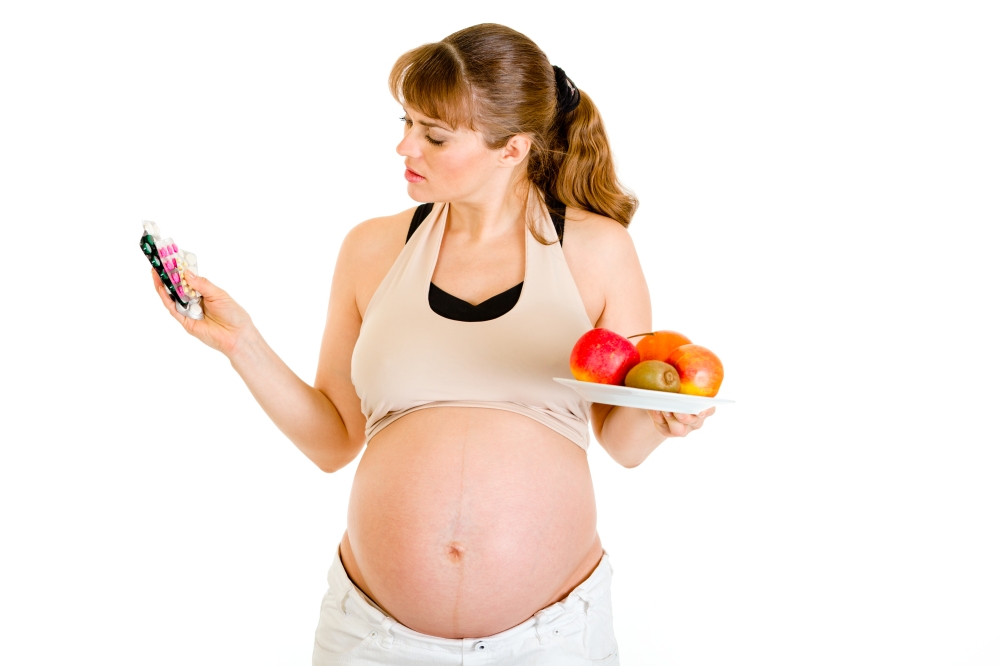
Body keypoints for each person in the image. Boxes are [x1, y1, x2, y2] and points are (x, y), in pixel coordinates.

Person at [152, 23, 714, 665]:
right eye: (407, 122)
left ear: (513, 149)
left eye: (434, 135)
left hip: (552, 639)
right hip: (372, 637)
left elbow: (623, 442)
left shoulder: (598, 251)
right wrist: (241, 343)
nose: (403, 146)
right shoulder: (371, 249)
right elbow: (334, 441)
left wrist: (667, 417)